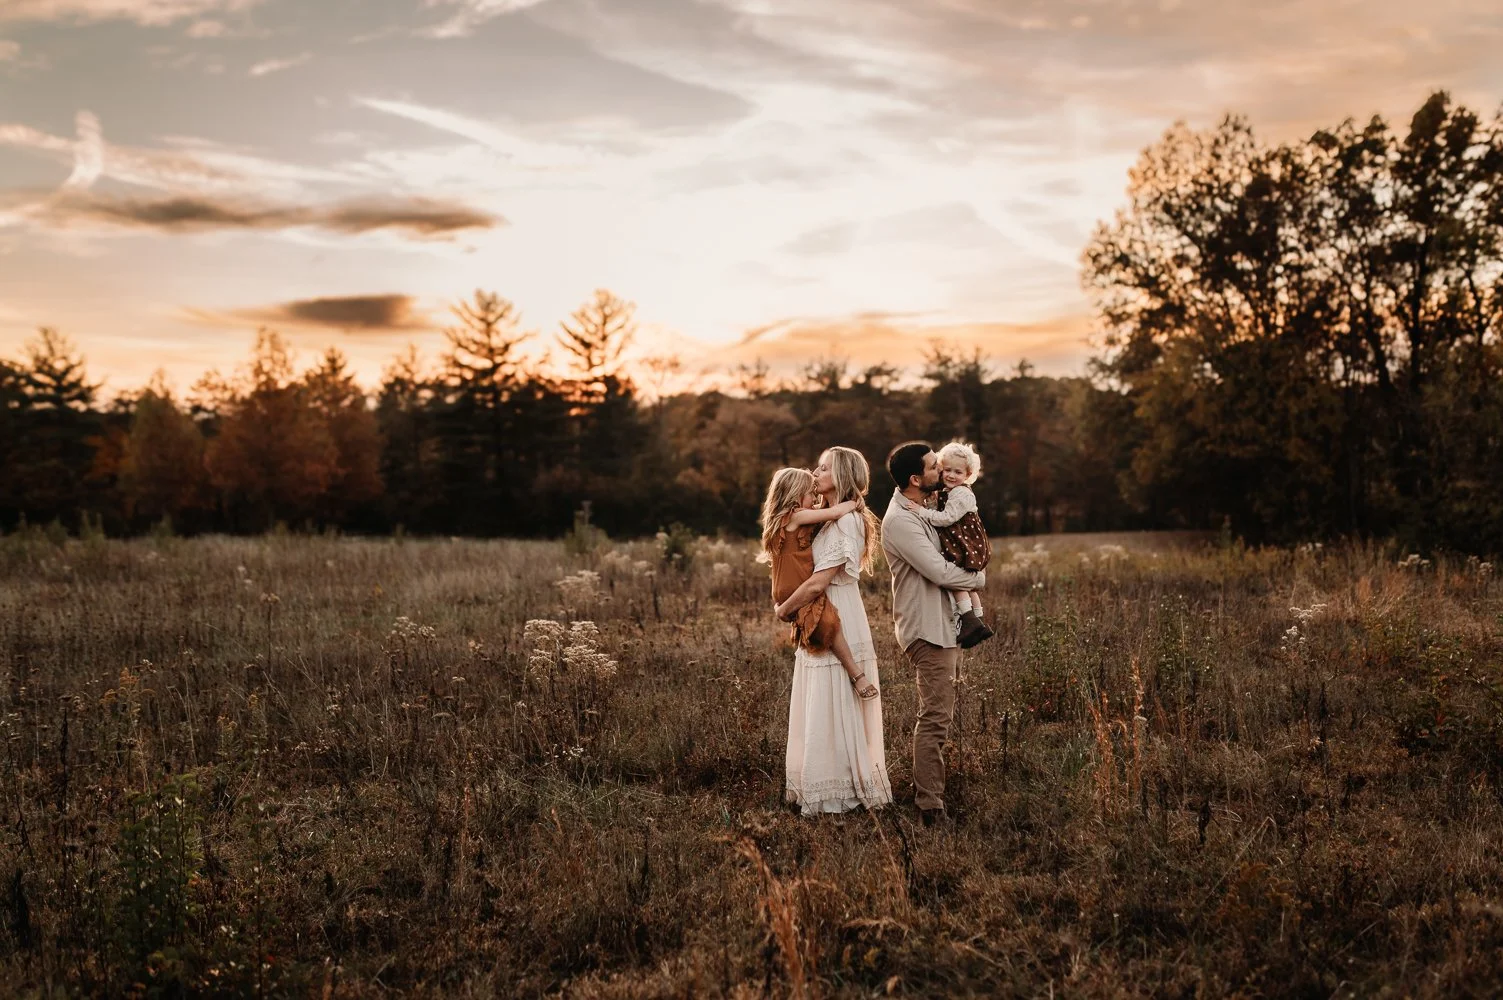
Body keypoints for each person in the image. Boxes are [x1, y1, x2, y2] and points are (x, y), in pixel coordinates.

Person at [773, 447, 893, 815]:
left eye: (824, 467)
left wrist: (784, 608)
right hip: (819, 609)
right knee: (821, 699)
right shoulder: (823, 518)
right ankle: (818, 781)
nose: (816, 471)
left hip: (836, 608)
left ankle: (841, 790)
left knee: (837, 696)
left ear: (840, 476)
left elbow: (817, 582)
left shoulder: (845, 521)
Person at [880, 440, 987, 826]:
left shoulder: (923, 505)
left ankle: (933, 797)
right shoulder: (902, 521)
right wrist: (979, 578)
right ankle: (930, 807)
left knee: (939, 715)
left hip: (941, 624)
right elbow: (939, 572)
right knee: (936, 718)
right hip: (926, 630)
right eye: (932, 467)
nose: (941, 472)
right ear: (914, 479)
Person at [759, 467, 878, 699]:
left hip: (783, 586)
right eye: (811, 494)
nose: (815, 500)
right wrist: (852, 504)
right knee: (828, 622)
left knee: (815, 623)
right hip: (795, 586)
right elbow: (833, 513)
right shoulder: (796, 516)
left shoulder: (783, 519)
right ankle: (856, 675)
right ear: (796, 496)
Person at [896, 440, 994, 648]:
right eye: (942, 469)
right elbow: (941, 573)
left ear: (967, 475)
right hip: (962, 542)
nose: (948, 475)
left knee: (959, 577)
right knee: (964, 582)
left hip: (965, 541)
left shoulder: (961, 493)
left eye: (956, 472)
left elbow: (946, 517)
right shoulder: (901, 518)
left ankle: (972, 619)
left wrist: (923, 511)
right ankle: (975, 619)